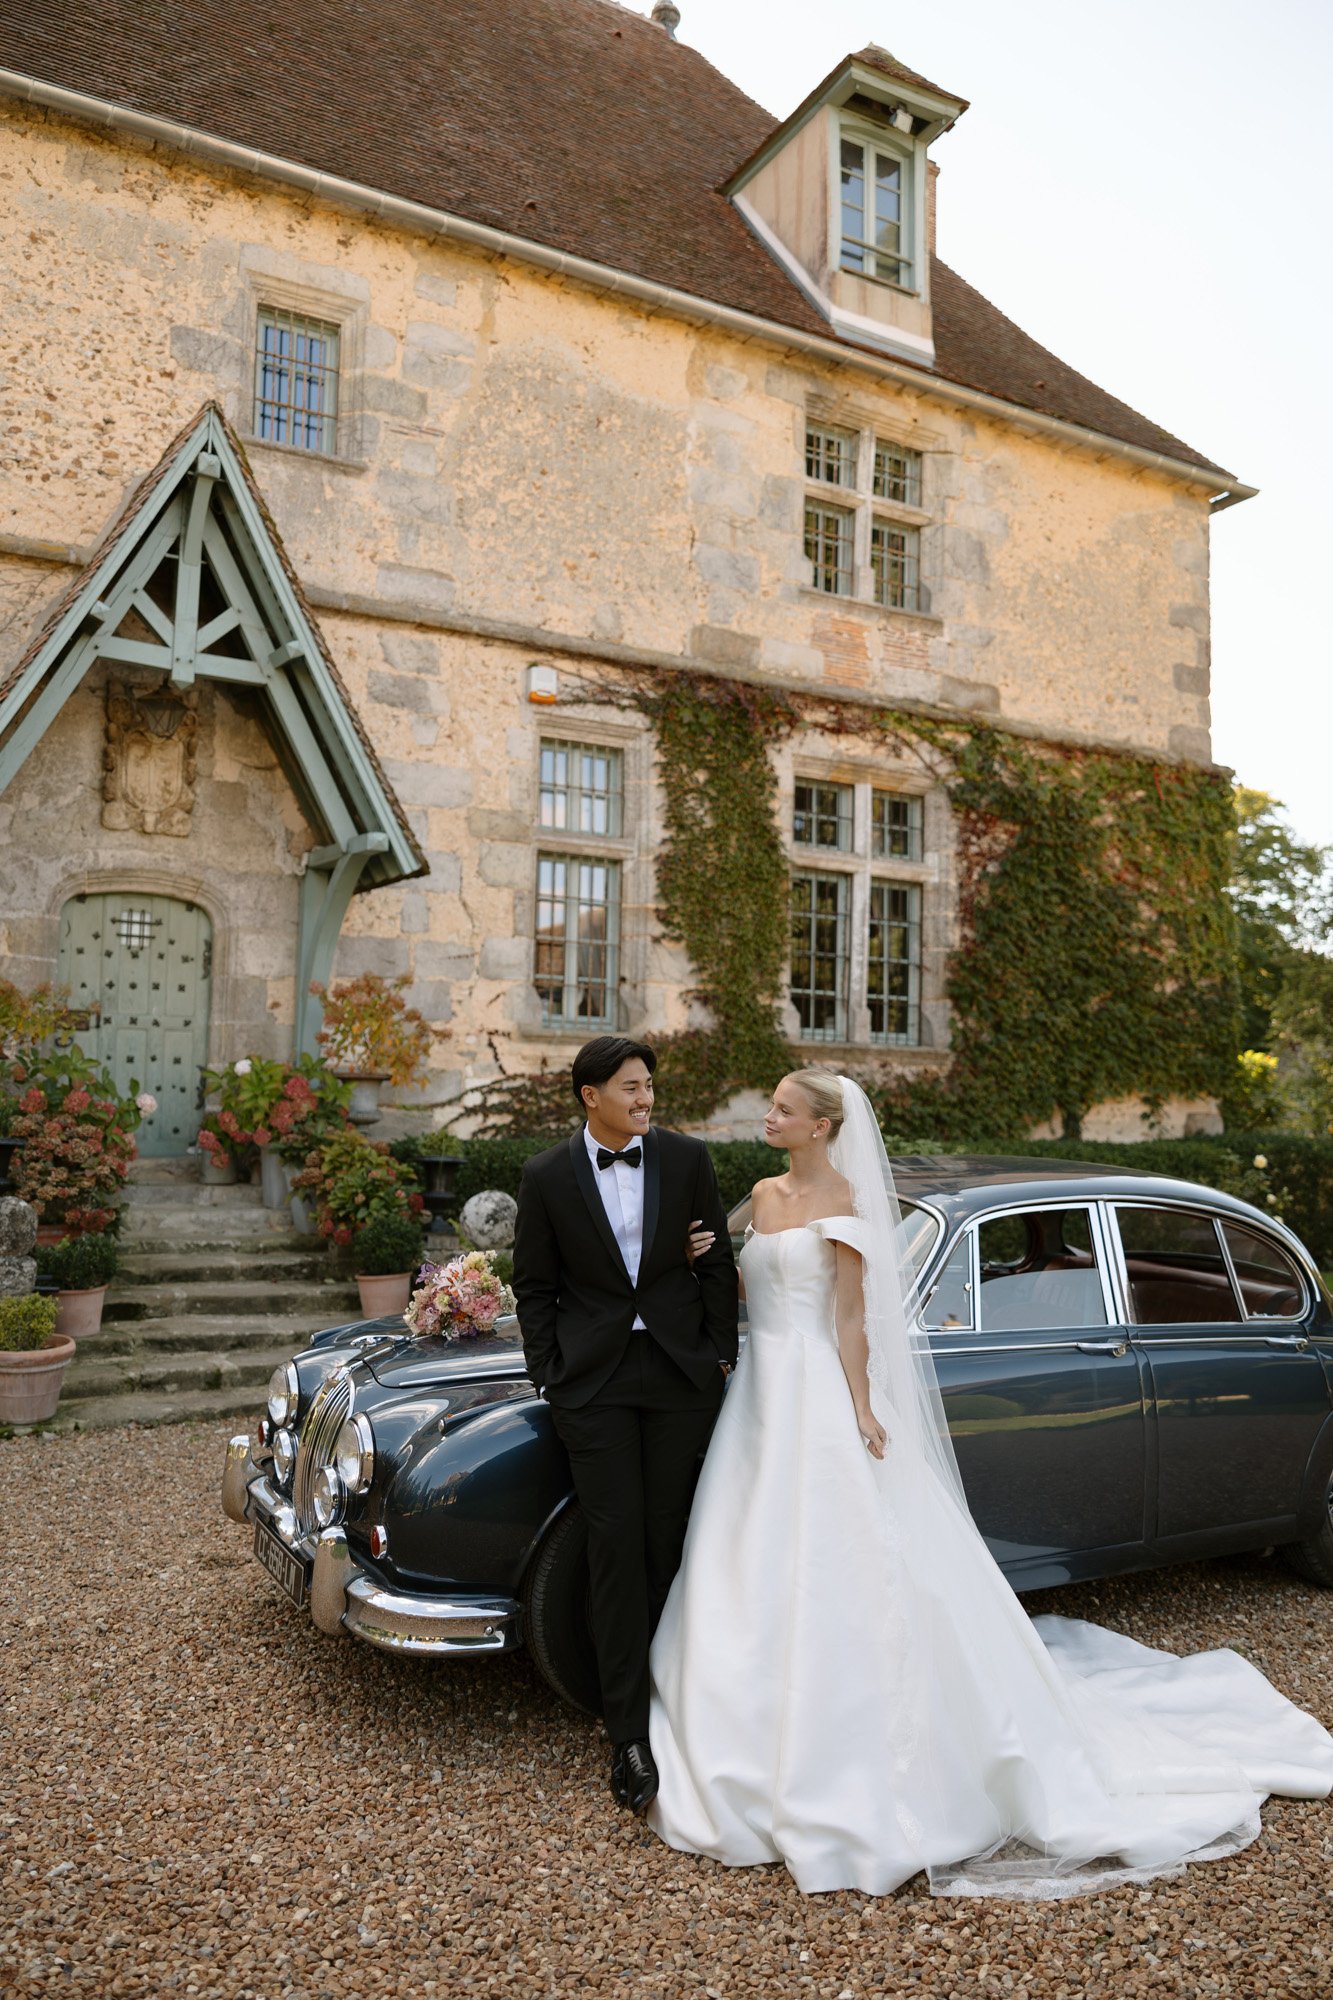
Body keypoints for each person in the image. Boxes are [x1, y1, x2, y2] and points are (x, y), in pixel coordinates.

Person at [647, 1069, 1333, 1897]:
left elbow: (853, 1319)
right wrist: (702, 1258)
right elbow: (738, 1291)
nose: (769, 1115)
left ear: (822, 1127)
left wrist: (862, 1407)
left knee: (844, 1556)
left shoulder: (853, 1205)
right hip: (758, 1391)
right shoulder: (759, 1192)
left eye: (784, 1108)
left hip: (819, 1392)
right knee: (742, 1549)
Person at [512, 1034, 739, 1815]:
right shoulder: (545, 1175)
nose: (646, 1099)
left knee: (667, 1537)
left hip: (679, 1375)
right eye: (632, 1088)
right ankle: (626, 1733)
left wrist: (718, 1357)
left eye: (649, 1087)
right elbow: (534, 1286)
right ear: (591, 1096)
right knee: (612, 1541)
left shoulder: (686, 1161)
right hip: (593, 1383)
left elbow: (714, 1265)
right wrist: (549, 1371)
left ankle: (684, 1696)